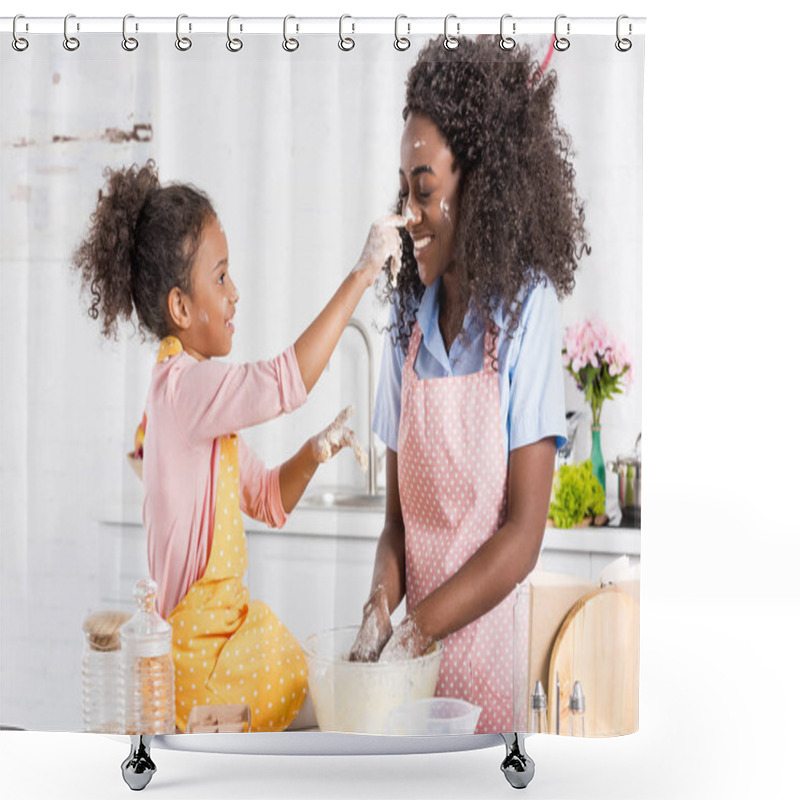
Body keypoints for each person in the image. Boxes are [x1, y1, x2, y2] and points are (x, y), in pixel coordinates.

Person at [72, 160, 403, 732]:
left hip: (222, 651)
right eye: (220, 278)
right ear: (181, 308)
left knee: (330, 712)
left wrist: (316, 451)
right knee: (336, 714)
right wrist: (362, 272)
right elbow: (283, 382)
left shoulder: (197, 406)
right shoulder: (183, 390)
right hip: (201, 671)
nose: (235, 294)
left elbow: (270, 498)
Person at [350, 36, 589, 734]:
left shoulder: (527, 313)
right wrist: (377, 612)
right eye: (404, 190)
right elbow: (396, 526)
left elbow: (521, 538)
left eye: (423, 189)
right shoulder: (408, 324)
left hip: (486, 670)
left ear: (477, 183)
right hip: (405, 679)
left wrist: (416, 630)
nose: (409, 213)